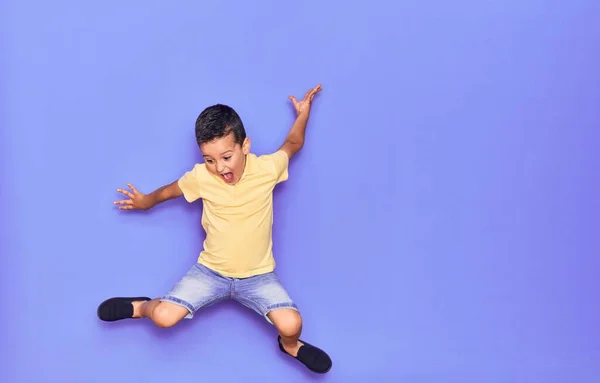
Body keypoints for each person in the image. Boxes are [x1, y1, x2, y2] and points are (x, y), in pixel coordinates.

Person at [97, 84, 332, 374]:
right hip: (210, 272)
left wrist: (303, 114)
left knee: (292, 324)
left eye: (226, 157)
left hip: (258, 277)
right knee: (162, 317)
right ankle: (142, 306)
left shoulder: (266, 169)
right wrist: (146, 201)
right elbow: (170, 191)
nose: (219, 167)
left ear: (244, 146)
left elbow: (293, 144)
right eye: (209, 160)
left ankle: (290, 346)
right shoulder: (201, 178)